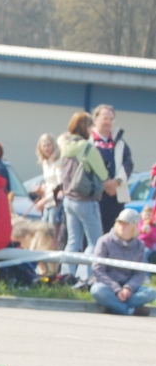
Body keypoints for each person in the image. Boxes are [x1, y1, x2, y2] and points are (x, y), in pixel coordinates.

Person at [58, 111, 108, 283]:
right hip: (86, 200)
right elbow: (102, 173)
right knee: (95, 242)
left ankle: (66, 276)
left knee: (72, 241)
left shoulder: (65, 147)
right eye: (90, 125)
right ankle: (83, 277)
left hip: (69, 200)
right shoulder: (88, 148)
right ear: (85, 127)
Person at [90, 208, 155, 316]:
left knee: (151, 293)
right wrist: (116, 289)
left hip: (129, 290)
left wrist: (128, 288)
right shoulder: (104, 241)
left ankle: (112, 305)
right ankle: (129, 310)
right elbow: (98, 270)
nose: (122, 226)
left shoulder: (139, 246)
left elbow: (140, 273)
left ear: (134, 226)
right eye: (120, 223)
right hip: (108, 287)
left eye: (126, 224)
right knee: (97, 290)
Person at [91, 104, 133, 234]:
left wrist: (116, 182)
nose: (108, 122)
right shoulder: (88, 141)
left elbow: (128, 164)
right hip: (93, 197)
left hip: (114, 196)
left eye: (111, 119)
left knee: (113, 234)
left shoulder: (120, 143)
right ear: (95, 119)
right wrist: (103, 184)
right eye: (105, 118)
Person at [32, 133, 62, 224]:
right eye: (44, 146)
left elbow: (59, 185)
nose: (46, 148)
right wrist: (42, 188)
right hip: (47, 202)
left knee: (51, 231)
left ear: (54, 145)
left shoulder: (58, 162)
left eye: (49, 145)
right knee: (43, 229)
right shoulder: (45, 162)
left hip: (55, 202)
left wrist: (43, 200)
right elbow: (50, 181)